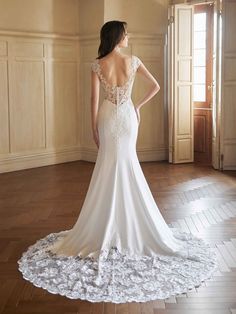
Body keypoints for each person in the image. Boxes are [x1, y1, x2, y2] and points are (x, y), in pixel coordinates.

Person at [17, 20, 218, 303]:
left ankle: (104, 223)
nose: (129, 36)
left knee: (108, 166)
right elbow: (156, 86)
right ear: (119, 36)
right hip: (127, 117)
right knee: (128, 164)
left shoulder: (97, 64)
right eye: (126, 33)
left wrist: (93, 127)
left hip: (108, 118)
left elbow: (93, 99)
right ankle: (129, 222)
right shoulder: (133, 61)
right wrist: (136, 105)